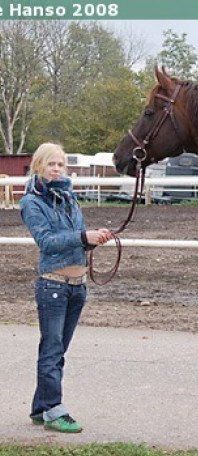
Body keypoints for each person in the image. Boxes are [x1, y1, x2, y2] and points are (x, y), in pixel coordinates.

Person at [19, 143, 112, 433]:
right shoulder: (32, 203)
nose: (57, 168)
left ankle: (40, 407)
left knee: (57, 351)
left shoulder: (69, 197)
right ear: (39, 167)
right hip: (53, 286)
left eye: (60, 164)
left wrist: (93, 239)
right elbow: (46, 241)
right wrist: (83, 235)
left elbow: (76, 237)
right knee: (52, 349)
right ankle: (54, 409)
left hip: (77, 285)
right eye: (51, 164)